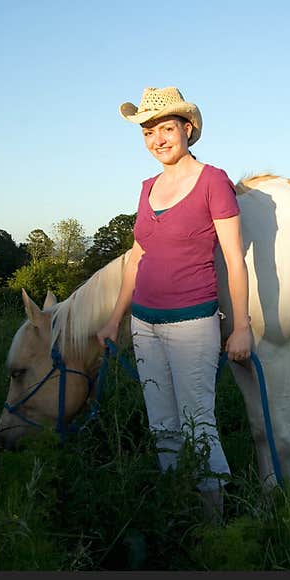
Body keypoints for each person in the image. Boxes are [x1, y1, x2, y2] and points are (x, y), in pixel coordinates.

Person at [96, 87, 251, 521]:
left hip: (192, 322)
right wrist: (115, 320)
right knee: (161, 422)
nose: (157, 140)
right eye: (148, 132)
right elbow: (137, 257)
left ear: (188, 129)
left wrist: (241, 326)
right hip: (144, 324)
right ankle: (178, 509)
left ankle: (213, 523)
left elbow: (234, 260)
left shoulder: (213, 181)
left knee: (197, 420)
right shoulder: (147, 188)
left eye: (166, 128)